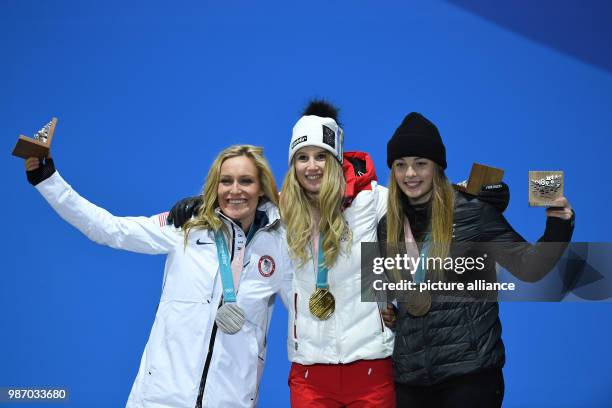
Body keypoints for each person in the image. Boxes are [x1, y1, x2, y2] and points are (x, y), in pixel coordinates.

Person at [24, 145, 289, 408]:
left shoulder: (279, 246)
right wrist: (49, 181)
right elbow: (110, 229)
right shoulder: (186, 228)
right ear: (215, 186)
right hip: (160, 399)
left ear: (262, 188)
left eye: (246, 181)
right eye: (226, 181)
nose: (235, 190)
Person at [377, 112, 575, 407]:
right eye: (400, 165)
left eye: (421, 163)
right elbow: (403, 295)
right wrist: (392, 312)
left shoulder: (473, 211)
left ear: (437, 167)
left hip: (470, 377)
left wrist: (558, 224)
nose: (410, 174)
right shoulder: (387, 227)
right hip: (411, 380)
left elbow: (530, 267)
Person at [279, 101, 396, 407]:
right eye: (302, 157)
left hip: (371, 368)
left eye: (321, 156)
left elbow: (426, 202)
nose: (312, 166)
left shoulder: (371, 200)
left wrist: (477, 198)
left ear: (335, 158)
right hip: (310, 376)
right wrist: (200, 203)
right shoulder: (283, 209)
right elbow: (235, 203)